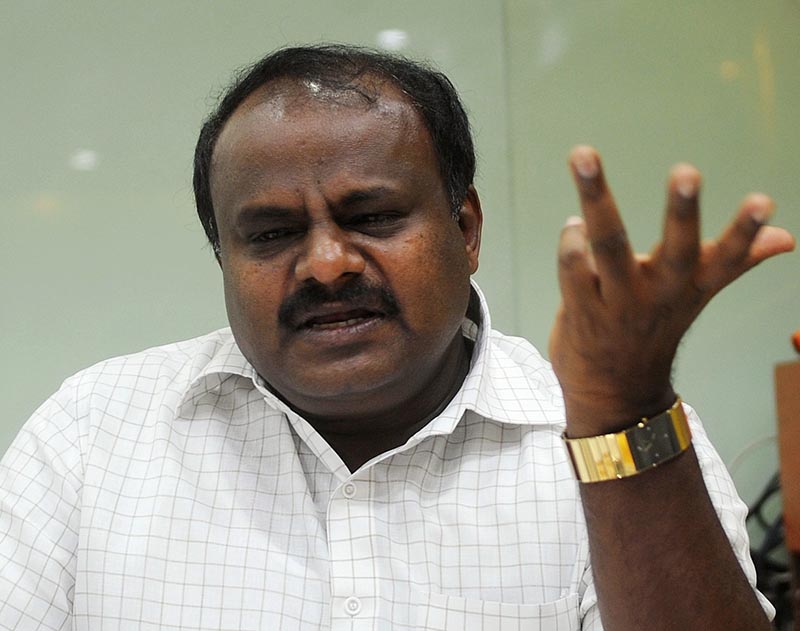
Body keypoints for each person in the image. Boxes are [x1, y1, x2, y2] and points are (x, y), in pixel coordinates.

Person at [0, 44, 794, 631]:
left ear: (466, 229)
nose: (326, 263)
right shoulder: (93, 437)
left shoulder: (609, 433)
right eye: (271, 233)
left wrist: (624, 414)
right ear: (222, 259)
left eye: (373, 216)